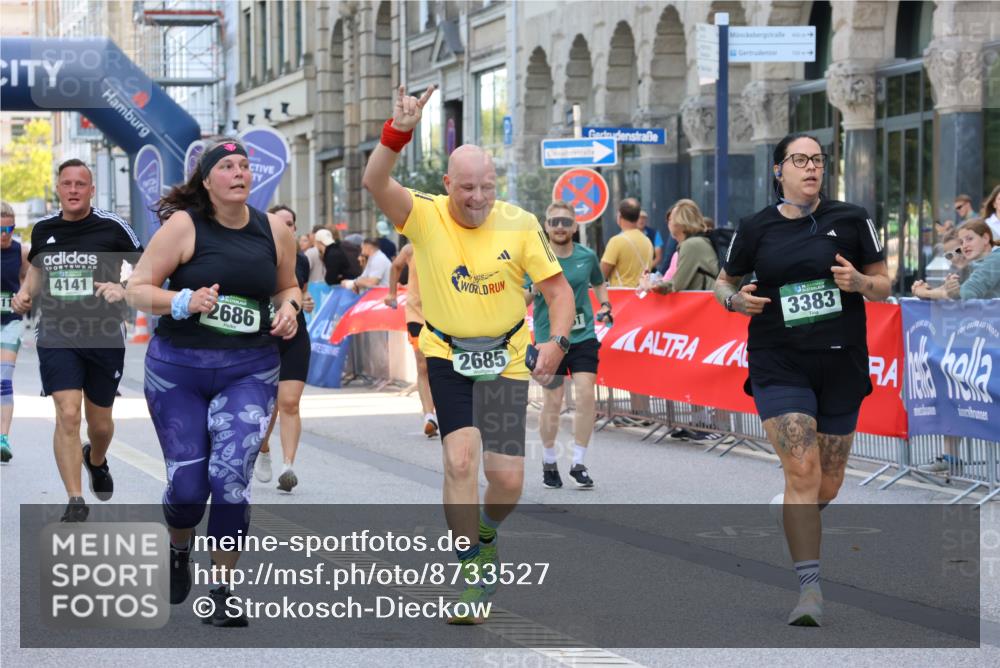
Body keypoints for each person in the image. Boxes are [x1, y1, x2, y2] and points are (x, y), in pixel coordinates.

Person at [363, 84, 573, 623]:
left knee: (506, 481)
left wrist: (558, 341)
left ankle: (485, 530)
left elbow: (558, 291)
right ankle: (471, 571)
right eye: (466, 189)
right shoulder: (425, 215)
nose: (477, 198)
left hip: (504, 360)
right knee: (459, 459)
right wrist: (399, 132)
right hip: (447, 356)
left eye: (486, 187)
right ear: (446, 185)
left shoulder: (520, 223)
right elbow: (375, 180)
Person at [714, 133, 890, 627]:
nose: (811, 168)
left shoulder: (852, 219)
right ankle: (809, 592)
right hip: (779, 360)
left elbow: (883, 283)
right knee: (804, 472)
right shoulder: (755, 227)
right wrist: (733, 301)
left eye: (817, 160)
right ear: (779, 171)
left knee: (827, 486)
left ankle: (792, 510)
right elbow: (723, 282)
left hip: (841, 362)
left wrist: (859, 283)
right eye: (800, 160)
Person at [125, 138, 301, 626]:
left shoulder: (274, 230)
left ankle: (221, 588)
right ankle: (179, 547)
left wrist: (288, 309)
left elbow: (289, 285)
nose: (240, 172)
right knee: (187, 490)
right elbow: (137, 289)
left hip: (250, 368)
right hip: (178, 369)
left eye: (244, 165)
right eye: (227, 166)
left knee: (229, 479)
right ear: (207, 181)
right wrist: (182, 301)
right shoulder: (183, 226)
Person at [11, 159, 143, 521]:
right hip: (57, 332)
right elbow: (37, 270)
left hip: (104, 334)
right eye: (66, 183)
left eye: (80, 184)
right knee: (67, 414)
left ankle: (96, 459)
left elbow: (147, 266)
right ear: (58, 188)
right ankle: (75, 499)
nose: (73, 190)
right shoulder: (44, 229)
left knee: (99, 424)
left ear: (91, 189)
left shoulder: (112, 226)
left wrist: (124, 287)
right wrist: (25, 294)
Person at [529, 200, 611, 489]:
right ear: (546, 226)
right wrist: (530, 291)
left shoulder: (586, 256)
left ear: (575, 226)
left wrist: (605, 303)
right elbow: (524, 298)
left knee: (586, 394)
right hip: (548, 339)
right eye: (555, 222)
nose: (560, 227)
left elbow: (599, 281)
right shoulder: (536, 258)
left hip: (582, 337)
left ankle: (578, 462)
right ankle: (549, 460)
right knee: (553, 401)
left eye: (566, 222)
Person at [255, 205, 315, 492]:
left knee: (289, 402)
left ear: (295, 229)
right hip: (261, 337)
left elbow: (298, 291)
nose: (285, 228)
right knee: (266, 406)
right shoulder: (252, 257)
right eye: (279, 223)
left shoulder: (300, 260)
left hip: (293, 337)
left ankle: (288, 466)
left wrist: (304, 301)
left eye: (290, 223)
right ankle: (263, 448)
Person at [385, 243, 438, 438]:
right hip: (416, 315)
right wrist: (391, 293)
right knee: (422, 365)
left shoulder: (448, 241)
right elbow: (395, 266)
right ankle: (429, 416)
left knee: (442, 365)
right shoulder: (410, 249)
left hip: (445, 316)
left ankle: (444, 409)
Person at [1, 201, 29, 462]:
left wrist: (24, 296)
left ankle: (3, 438)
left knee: (4, 379)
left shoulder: (20, 252)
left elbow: (28, 281)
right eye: (1, 229)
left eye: (10, 228)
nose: (5, 234)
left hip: (11, 321)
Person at [649, 199, 719, 293]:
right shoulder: (698, 242)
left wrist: (653, 286)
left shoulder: (691, 245)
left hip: (705, 304)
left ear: (680, 222)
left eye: (670, 219)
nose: (668, 223)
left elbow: (677, 284)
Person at [601, 198, 653, 287]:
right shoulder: (647, 241)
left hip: (620, 296)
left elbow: (601, 275)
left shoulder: (616, 241)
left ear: (619, 215)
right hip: (641, 297)